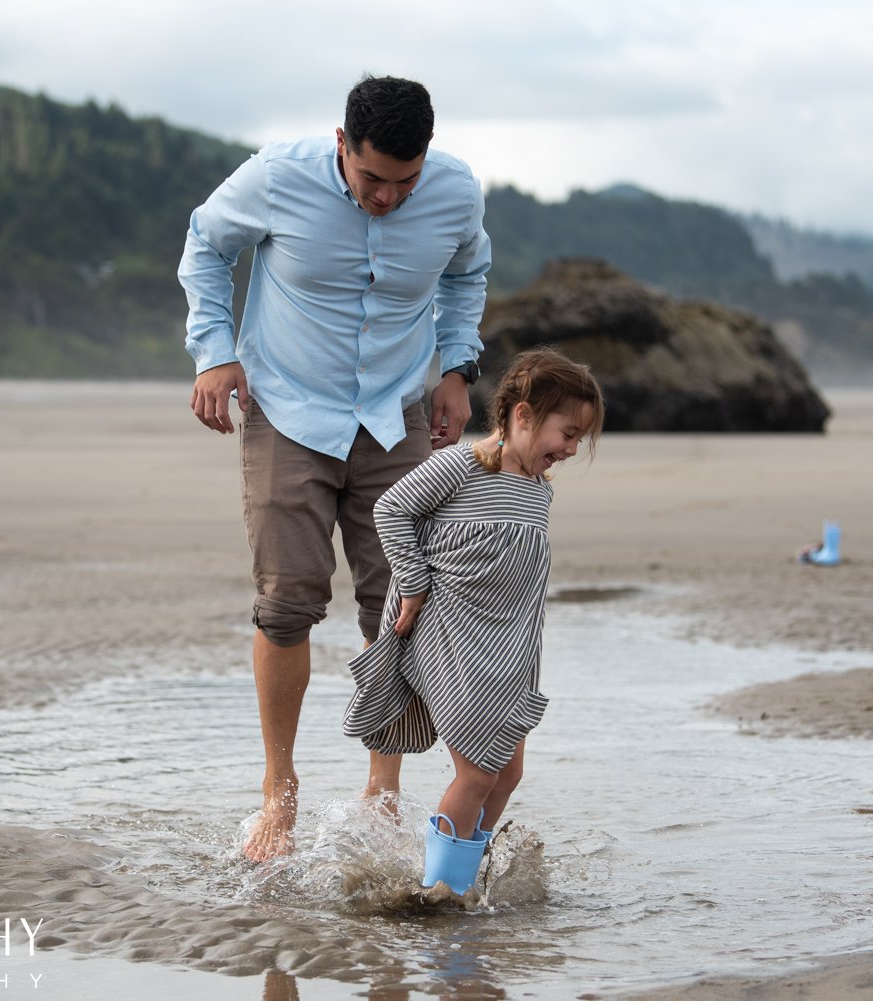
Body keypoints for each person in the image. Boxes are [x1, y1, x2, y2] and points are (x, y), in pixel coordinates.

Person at [178, 75, 492, 863]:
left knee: (401, 601)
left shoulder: (455, 193)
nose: (389, 197)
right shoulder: (278, 176)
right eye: (373, 179)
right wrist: (214, 354)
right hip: (289, 409)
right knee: (287, 601)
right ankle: (277, 795)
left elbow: (466, 275)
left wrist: (458, 365)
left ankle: (382, 792)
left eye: (405, 181)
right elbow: (205, 246)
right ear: (342, 145)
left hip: (396, 413)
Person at [342, 348, 604, 893]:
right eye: (568, 433)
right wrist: (411, 581)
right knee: (478, 772)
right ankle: (441, 890)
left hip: (509, 648)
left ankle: (468, 876)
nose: (572, 449)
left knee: (508, 774)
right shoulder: (460, 466)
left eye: (580, 440)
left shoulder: (536, 488)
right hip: (453, 640)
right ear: (524, 416)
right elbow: (391, 510)